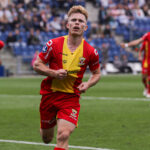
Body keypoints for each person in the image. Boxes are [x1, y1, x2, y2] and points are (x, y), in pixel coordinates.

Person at [33, 5, 100, 150]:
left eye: (80, 21)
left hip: (70, 98)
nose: (77, 23)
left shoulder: (91, 51)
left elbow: (97, 73)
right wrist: (54, 73)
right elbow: (37, 65)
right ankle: (48, 128)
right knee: (47, 138)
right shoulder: (53, 44)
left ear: (85, 27)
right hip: (49, 95)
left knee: (63, 135)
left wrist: (87, 84)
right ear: (67, 25)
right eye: (74, 20)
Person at [120, 32, 150, 97]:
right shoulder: (147, 36)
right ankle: (146, 87)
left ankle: (149, 92)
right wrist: (126, 45)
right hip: (146, 61)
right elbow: (138, 42)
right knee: (144, 78)